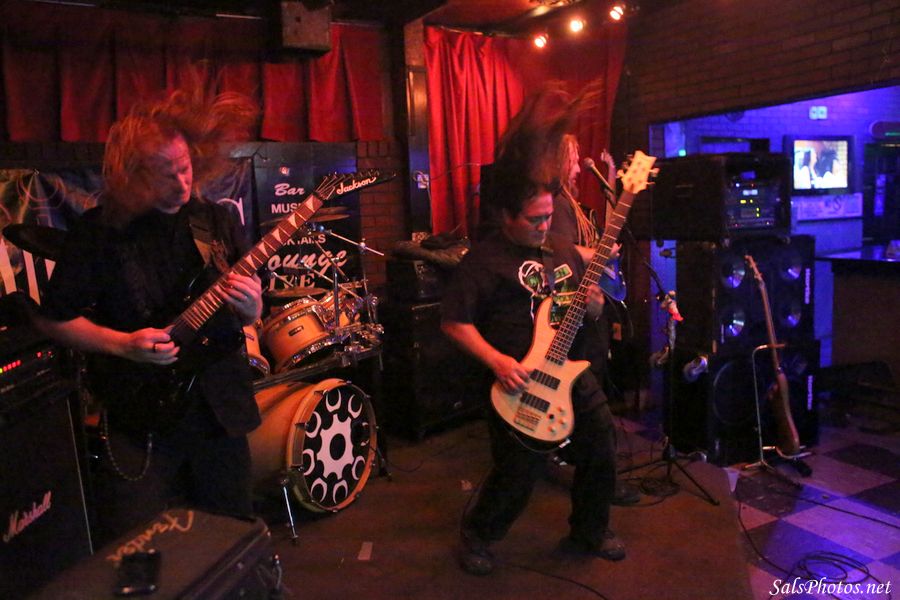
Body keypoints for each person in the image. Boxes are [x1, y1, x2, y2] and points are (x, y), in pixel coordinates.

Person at [37, 88, 262, 545]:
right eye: (165, 175)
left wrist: (252, 307)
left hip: (219, 412)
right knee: (142, 550)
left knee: (230, 541)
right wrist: (122, 345)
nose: (182, 184)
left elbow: (250, 316)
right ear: (133, 176)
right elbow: (52, 321)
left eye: (186, 167)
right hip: (141, 420)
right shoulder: (99, 233)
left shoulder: (215, 221)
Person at [441, 86, 623, 576]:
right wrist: (497, 361)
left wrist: (593, 303)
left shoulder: (560, 248)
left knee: (601, 448)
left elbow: (586, 307)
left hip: (570, 371)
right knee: (519, 471)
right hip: (517, 380)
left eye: (548, 216)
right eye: (535, 219)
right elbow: (454, 322)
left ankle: (590, 530)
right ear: (506, 217)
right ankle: (479, 534)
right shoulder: (484, 261)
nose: (545, 226)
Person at [548, 135, 640, 506]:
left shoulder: (573, 204)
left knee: (592, 387)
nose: (576, 167)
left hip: (591, 306)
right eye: (572, 160)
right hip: (577, 310)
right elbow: (561, 252)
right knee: (589, 394)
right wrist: (599, 252)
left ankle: (588, 463)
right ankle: (592, 469)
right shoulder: (557, 203)